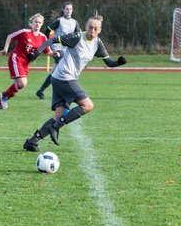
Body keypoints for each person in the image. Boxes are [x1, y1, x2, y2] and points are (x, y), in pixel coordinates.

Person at [23, 14, 127, 152]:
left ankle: (32, 141)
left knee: (58, 116)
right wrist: (37, 52)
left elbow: (108, 62)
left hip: (61, 77)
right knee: (88, 106)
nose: (93, 30)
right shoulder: (77, 37)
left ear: (100, 30)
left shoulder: (97, 43)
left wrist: (118, 63)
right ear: (85, 26)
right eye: (90, 27)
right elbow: (53, 39)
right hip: (64, 77)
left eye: (96, 28)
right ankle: (56, 127)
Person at [0, 13, 58, 110]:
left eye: (39, 22)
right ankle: (4, 95)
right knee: (23, 83)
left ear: (42, 24)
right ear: (31, 23)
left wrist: (55, 53)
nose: (37, 24)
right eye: (35, 22)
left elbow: (47, 51)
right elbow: (10, 36)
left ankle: (1, 102)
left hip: (25, 63)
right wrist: (5, 49)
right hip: (16, 58)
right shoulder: (24, 32)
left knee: (18, 85)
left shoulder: (43, 38)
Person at [36, 2, 80, 99]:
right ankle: (64, 93)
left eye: (70, 9)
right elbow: (47, 30)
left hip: (67, 49)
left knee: (56, 71)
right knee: (63, 68)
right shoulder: (59, 21)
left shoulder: (74, 22)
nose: (69, 10)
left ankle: (41, 90)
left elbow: (78, 35)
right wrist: (49, 44)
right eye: (67, 9)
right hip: (57, 48)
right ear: (63, 10)